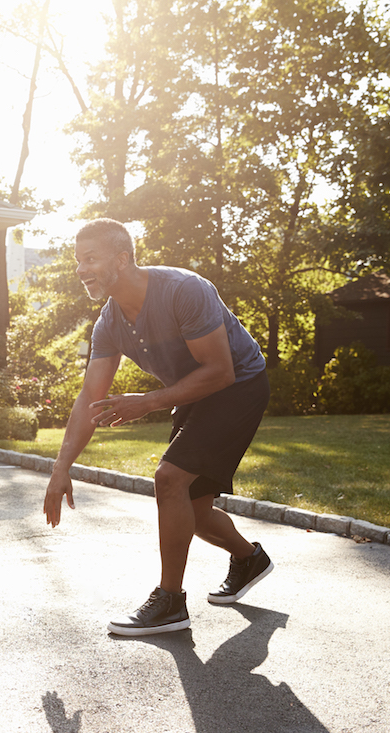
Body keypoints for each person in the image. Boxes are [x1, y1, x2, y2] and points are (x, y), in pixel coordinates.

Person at [44, 218, 272, 637]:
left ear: (123, 258)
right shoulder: (109, 323)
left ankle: (170, 602)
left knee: (169, 480)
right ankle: (248, 558)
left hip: (238, 383)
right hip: (195, 393)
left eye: (90, 258)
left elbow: (220, 371)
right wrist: (61, 468)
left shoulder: (184, 290)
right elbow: (88, 398)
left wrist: (146, 403)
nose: (81, 269)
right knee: (192, 511)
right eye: (78, 261)